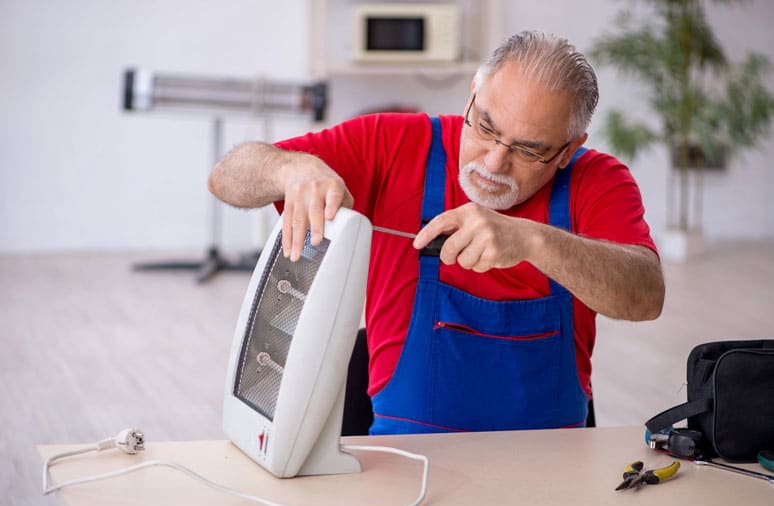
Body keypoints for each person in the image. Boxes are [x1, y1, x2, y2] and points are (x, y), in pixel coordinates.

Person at [208, 31, 665, 435]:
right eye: (485, 126)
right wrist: (292, 168)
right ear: (471, 96)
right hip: (405, 464)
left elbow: (646, 295)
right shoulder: (393, 145)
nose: (492, 163)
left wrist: (533, 240)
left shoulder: (599, 181)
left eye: (529, 151)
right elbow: (227, 175)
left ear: (569, 150)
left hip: (553, 464)